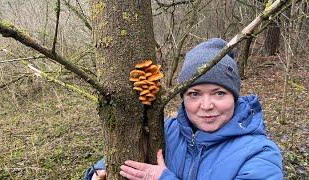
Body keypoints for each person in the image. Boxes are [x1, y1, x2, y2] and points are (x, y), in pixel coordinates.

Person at [84, 38, 283, 180]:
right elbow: (121, 154)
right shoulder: (167, 130)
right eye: (194, 94)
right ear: (182, 97)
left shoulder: (260, 154)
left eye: (219, 93)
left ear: (234, 96)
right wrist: (99, 171)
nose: (206, 106)